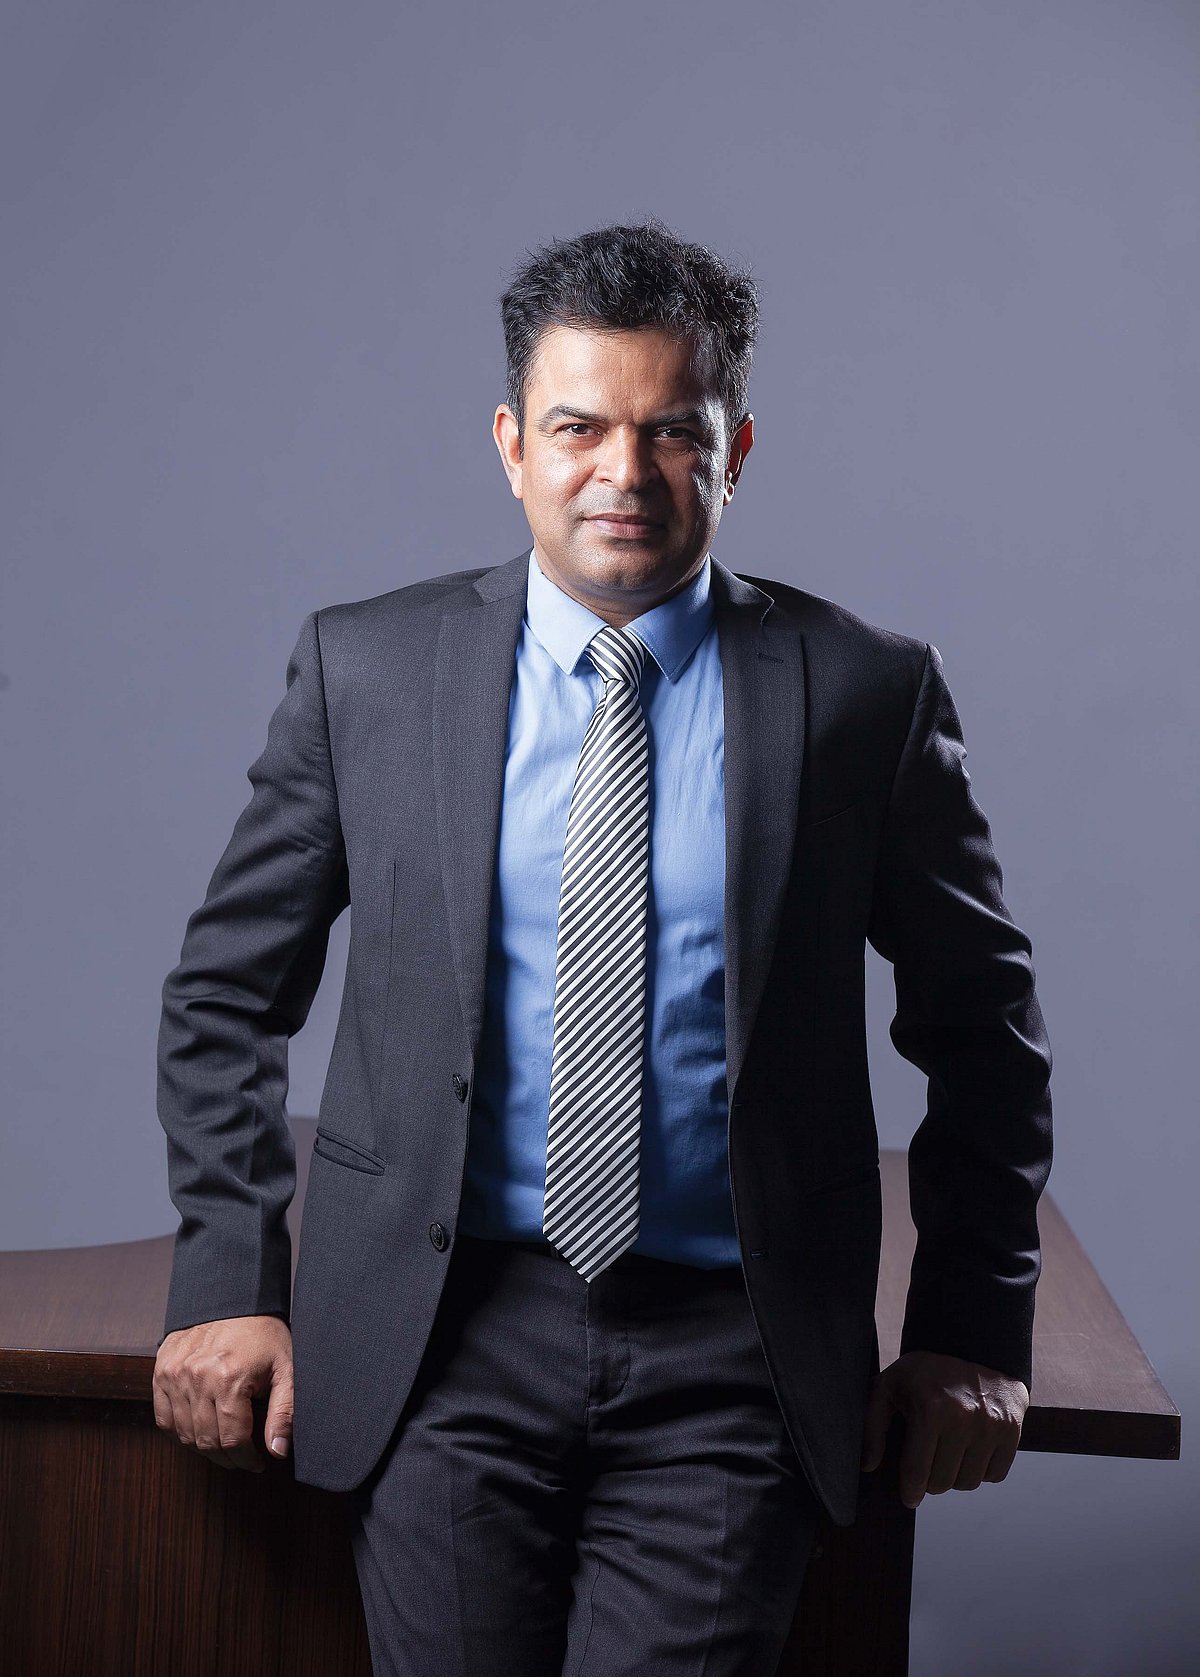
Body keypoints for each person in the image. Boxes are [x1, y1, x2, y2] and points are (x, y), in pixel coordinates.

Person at [152, 219, 1054, 1676]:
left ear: (735, 450)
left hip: (735, 1356)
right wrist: (228, 1279)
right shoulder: (367, 670)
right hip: (442, 1337)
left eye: (671, 432)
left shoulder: (862, 695)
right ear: (513, 445)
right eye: (579, 427)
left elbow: (984, 1027)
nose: (623, 474)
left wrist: (971, 1322)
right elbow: (224, 997)